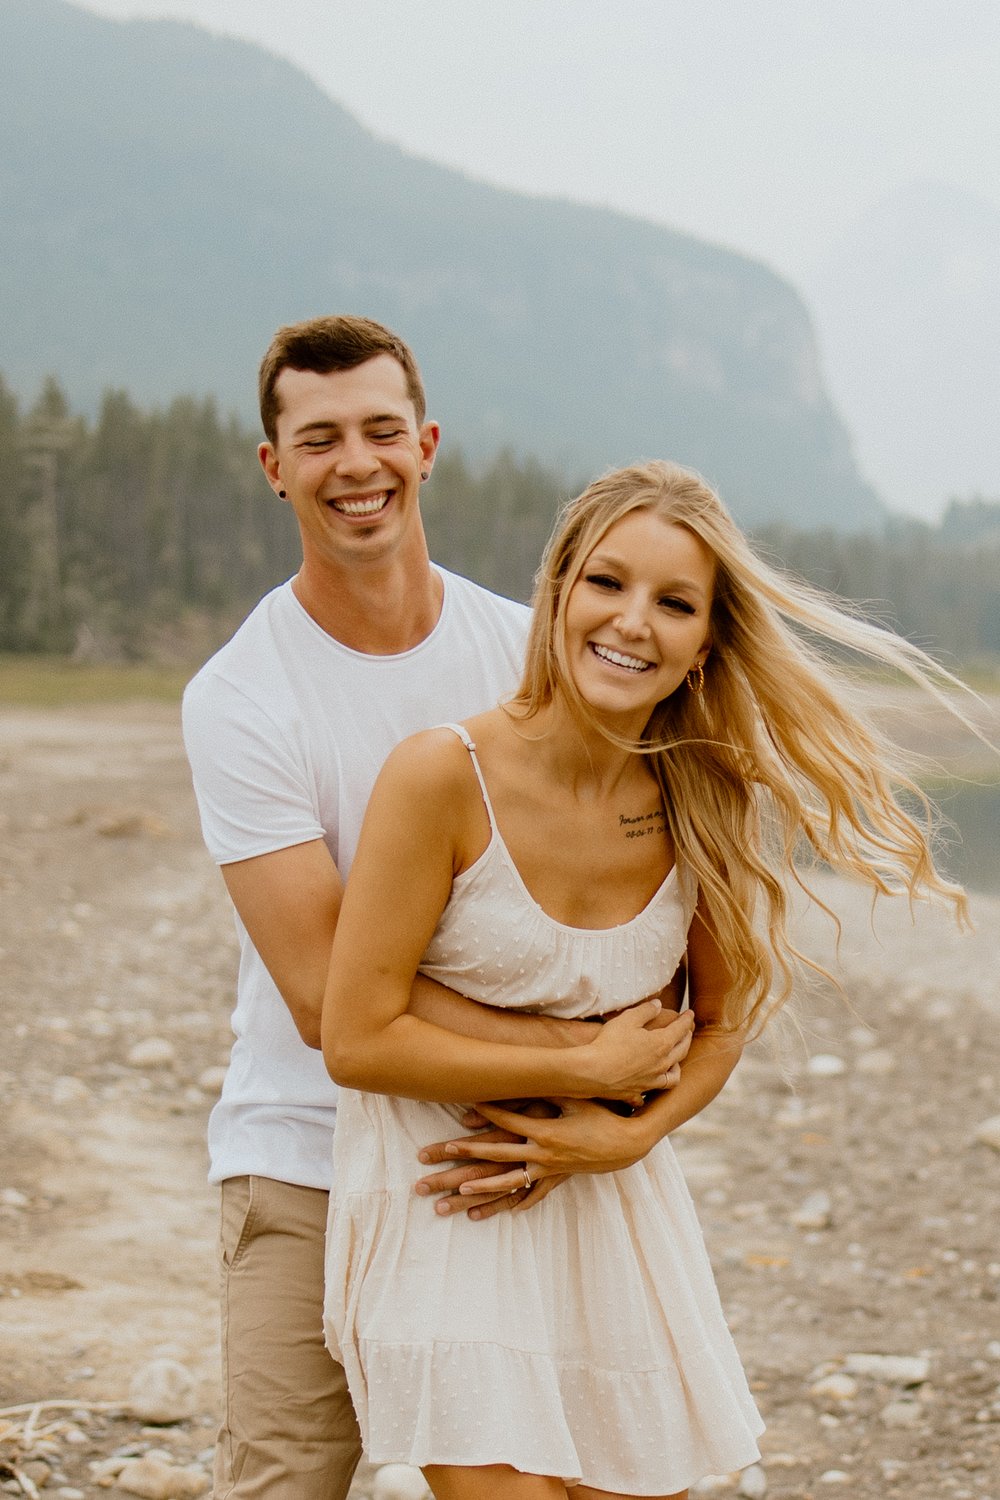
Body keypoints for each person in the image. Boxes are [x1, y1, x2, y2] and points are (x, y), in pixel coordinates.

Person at [321, 458, 973, 1499]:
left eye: (674, 603)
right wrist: (585, 1063)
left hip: (616, 1207)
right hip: (451, 1207)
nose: (631, 622)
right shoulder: (440, 776)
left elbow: (717, 1026)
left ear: (704, 641)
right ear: (557, 590)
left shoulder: (702, 795)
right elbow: (356, 1036)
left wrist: (625, 1132)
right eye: (606, 583)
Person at [182, 317, 694, 1500]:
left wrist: (619, 1102)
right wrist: (586, 1057)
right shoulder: (242, 699)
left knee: (568, 1474)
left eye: (378, 430)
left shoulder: (529, 652)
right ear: (274, 466)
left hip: (499, 1151)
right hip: (306, 1149)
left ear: (425, 443)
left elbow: (616, 906)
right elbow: (326, 1004)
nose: (354, 463)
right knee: (283, 1482)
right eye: (318, 440)